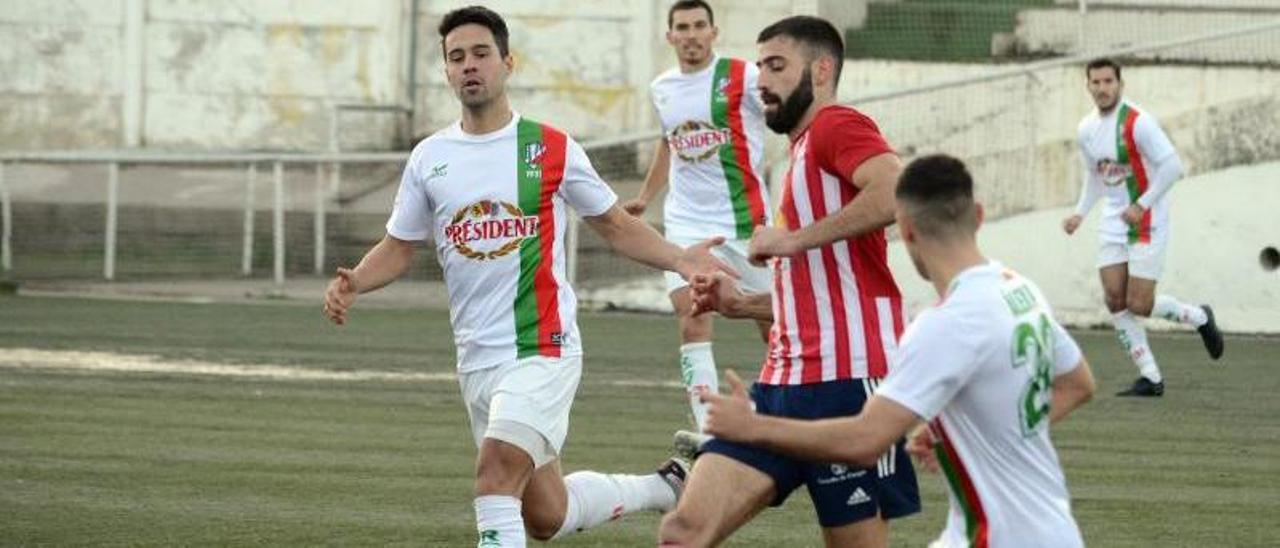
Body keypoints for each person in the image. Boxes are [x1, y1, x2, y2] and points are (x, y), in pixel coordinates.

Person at [322, 7, 735, 547]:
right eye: (456, 57)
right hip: (476, 356)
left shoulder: (551, 147)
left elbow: (613, 225)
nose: (469, 66)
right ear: (446, 72)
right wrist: (355, 281)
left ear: (507, 62)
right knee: (544, 513)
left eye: (481, 54)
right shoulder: (430, 158)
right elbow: (401, 246)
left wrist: (682, 259)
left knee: (495, 473)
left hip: (543, 346)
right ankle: (666, 485)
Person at [702, 154, 1098, 548]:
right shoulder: (1020, 289)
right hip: (1050, 530)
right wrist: (959, 430)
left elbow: (863, 441)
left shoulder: (945, 324)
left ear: (905, 232)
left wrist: (751, 427)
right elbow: (1078, 384)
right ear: (978, 216)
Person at [657, 16, 920, 548]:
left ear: (821, 71)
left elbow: (897, 190)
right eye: (759, 68)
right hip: (780, 386)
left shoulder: (835, 125)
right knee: (683, 530)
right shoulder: (800, 151)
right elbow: (819, 296)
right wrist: (741, 304)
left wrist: (792, 240)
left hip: (848, 386)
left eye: (777, 67)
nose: (762, 82)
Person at [621, 0, 773, 449]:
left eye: (698, 26)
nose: (691, 34)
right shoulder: (662, 87)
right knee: (692, 317)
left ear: (713, 32)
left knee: (774, 324)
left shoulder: (743, 76)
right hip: (687, 224)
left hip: (747, 223)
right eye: (682, 27)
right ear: (669, 36)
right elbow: (669, 143)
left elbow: (780, 116)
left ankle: (784, 413)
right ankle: (710, 429)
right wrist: (647, 198)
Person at [1063, 58, 1224, 397]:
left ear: (1120, 84)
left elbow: (1172, 167)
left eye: (1109, 81)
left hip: (1146, 219)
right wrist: (1079, 213)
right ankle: (1150, 377)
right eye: (1096, 82)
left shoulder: (1138, 123)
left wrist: (1142, 204)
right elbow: (1096, 175)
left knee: (1139, 303)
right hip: (1112, 221)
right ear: (1088, 86)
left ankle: (1198, 317)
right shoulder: (1085, 129)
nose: (1103, 88)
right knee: (1113, 298)